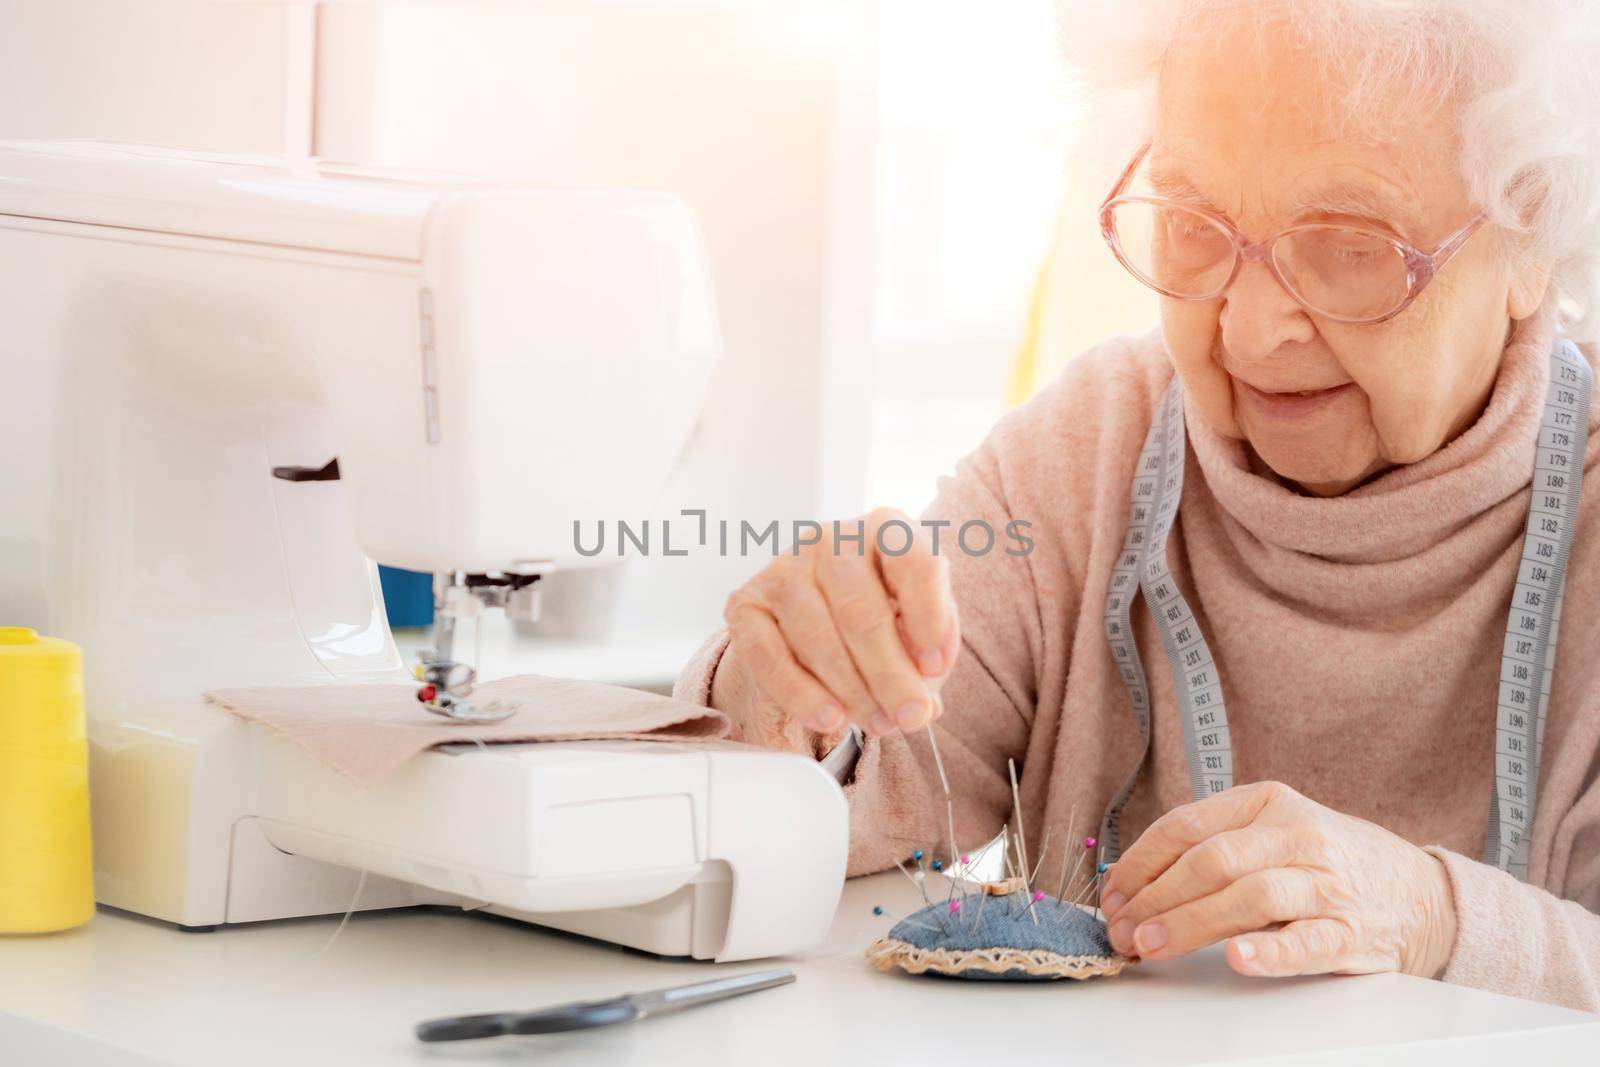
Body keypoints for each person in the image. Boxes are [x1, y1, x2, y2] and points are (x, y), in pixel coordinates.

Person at [674, 0, 1600, 1011]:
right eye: (1196, 228)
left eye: (1348, 244)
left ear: (1531, 240)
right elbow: (844, 798)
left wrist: (1433, 914)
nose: (1249, 330)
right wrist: (798, 682)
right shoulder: (1089, 450)